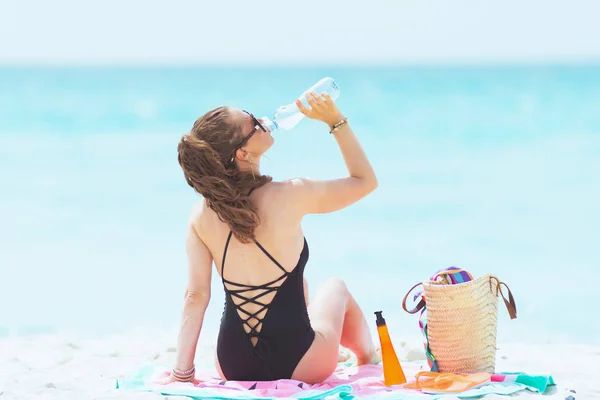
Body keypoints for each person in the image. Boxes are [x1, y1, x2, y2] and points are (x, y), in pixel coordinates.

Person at [164, 91, 379, 385]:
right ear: (242, 153)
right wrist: (335, 121)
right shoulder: (291, 194)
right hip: (302, 362)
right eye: (253, 122)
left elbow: (195, 297)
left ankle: (363, 356)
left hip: (233, 364)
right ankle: (368, 358)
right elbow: (365, 181)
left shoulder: (201, 215)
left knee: (299, 285)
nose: (264, 121)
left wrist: (182, 374)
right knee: (335, 287)